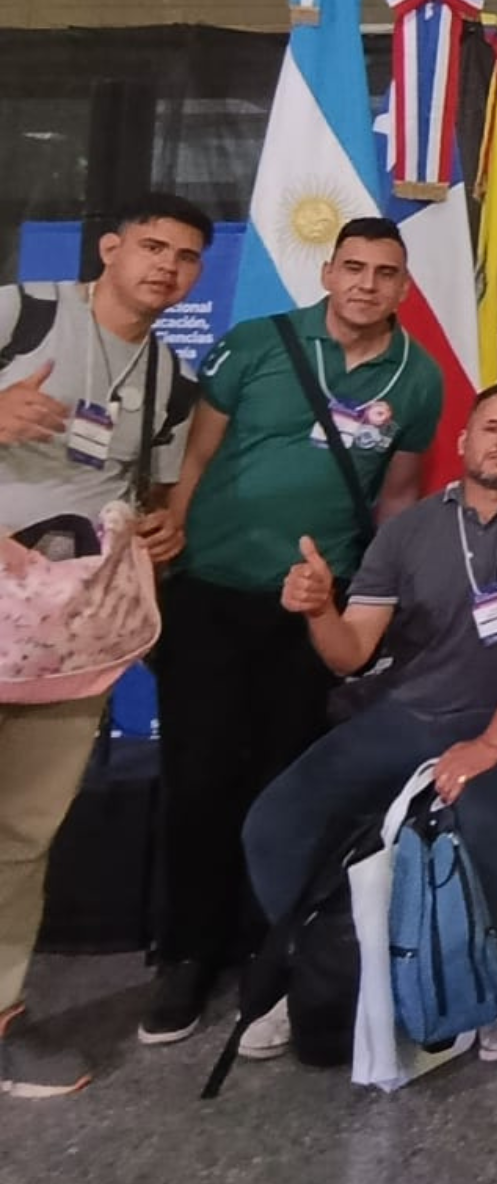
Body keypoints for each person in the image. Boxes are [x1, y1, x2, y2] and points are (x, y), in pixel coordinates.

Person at [144, 216, 443, 1046]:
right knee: (199, 776)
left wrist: (377, 605)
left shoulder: (417, 377)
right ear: (328, 272)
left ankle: (266, 947)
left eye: (385, 273)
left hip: (315, 606)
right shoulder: (255, 343)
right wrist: (164, 558)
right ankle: (186, 954)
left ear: (403, 286)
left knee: (286, 784)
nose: (367, 285)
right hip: (212, 590)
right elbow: (193, 462)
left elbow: (398, 499)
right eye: (354, 267)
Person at [239, 383, 497, 1063]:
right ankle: (315, 972)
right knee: (275, 822)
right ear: (464, 440)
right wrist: (319, 610)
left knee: (483, 816)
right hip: (410, 711)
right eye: (492, 427)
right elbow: (351, 652)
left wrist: (490, 743)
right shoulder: (407, 529)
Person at [0, 193, 210, 1097]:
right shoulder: (19, 314)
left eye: (186, 257)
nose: (167, 267)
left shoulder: (170, 381)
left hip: (65, 635)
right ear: (110, 248)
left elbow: (147, 495)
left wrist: (161, 530)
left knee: (23, 831)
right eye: (152, 247)